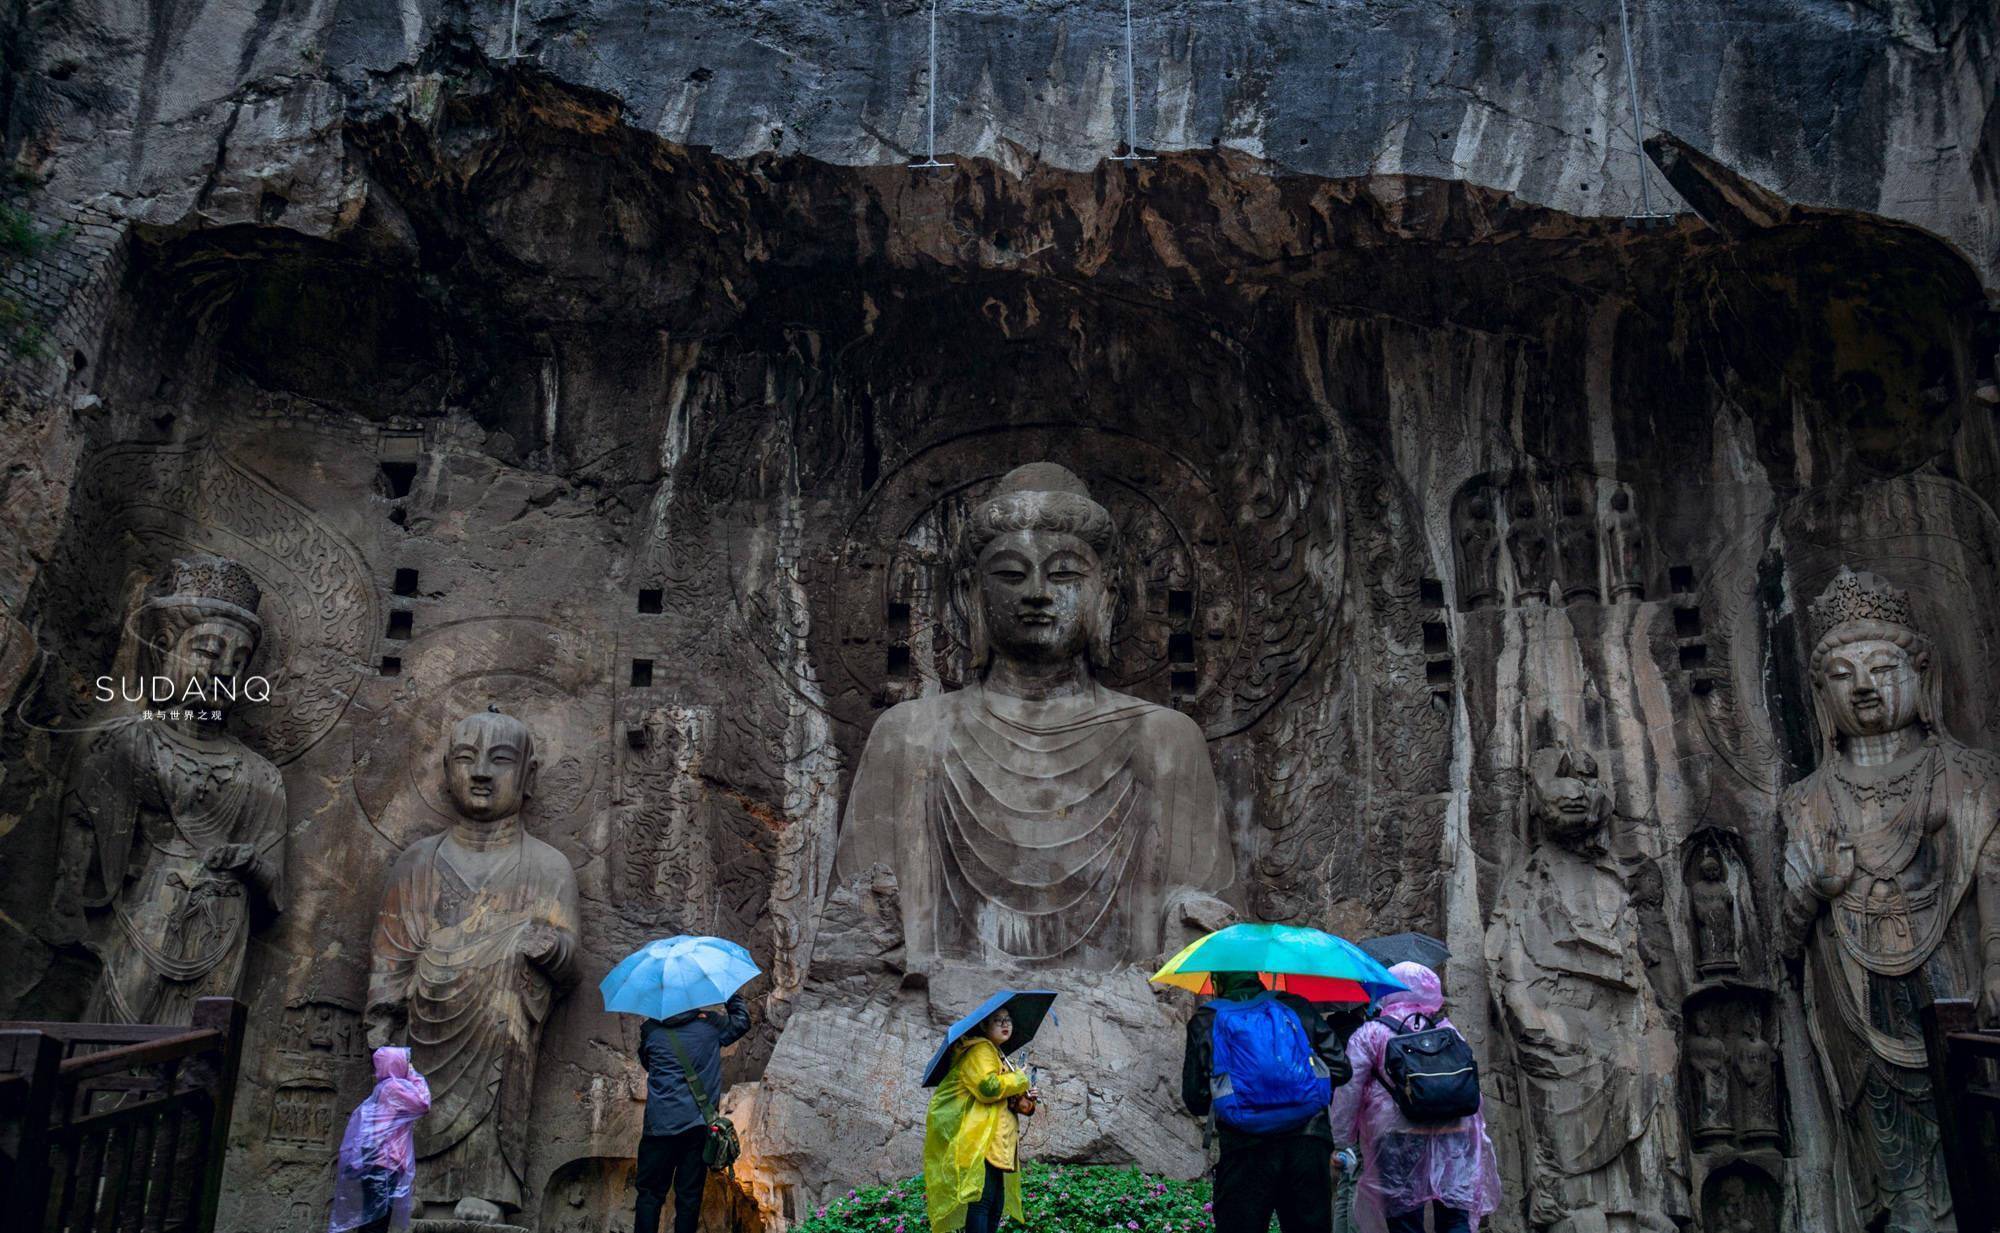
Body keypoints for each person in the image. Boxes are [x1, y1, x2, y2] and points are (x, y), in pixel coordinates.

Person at [1329, 963, 1502, 1233]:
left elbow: (1349, 1089)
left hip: (1398, 1133)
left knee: (1404, 1215)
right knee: (1454, 1211)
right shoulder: (1447, 1029)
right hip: (1453, 1129)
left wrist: (1342, 1139)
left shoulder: (1372, 1033)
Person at [1181, 971, 1352, 1233]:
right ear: (1258, 975)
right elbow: (1341, 1069)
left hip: (1244, 1149)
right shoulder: (1297, 1007)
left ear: (1218, 981)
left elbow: (1195, 1099)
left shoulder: (1207, 1019)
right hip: (1308, 1142)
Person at [636, 990, 752, 1233]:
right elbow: (741, 1021)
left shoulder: (651, 1030)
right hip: (697, 1128)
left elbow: (648, 1063)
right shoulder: (711, 1025)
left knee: (649, 1196)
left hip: (659, 1128)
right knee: (689, 1198)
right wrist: (728, 992)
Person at [925, 1007, 1041, 1233]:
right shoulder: (980, 1050)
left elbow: (1010, 1101)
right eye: (998, 1020)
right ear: (984, 1026)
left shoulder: (998, 1055)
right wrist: (1018, 1078)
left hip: (996, 1142)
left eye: (1008, 1019)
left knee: (995, 1205)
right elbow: (987, 1088)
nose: (1005, 1024)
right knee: (982, 1203)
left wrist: (1027, 1097)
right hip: (981, 1139)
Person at [329, 1047, 432, 1233]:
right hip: (384, 1162)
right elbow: (423, 1103)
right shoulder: (393, 1088)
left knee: (373, 1216)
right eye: (405, 1061)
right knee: (377, 1220)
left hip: (378, 1160)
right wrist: (413, 1073)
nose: (408, 1065)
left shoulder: (383, 1088)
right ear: (396, 1064)